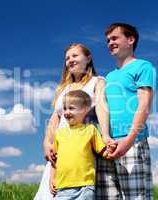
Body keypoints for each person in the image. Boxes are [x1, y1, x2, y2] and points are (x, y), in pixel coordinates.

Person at [34, 43, 113, 200]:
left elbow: (101, 107)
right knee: (52, 191)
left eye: (75, 56)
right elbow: (55, 118)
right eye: (67, 58)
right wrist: (46, 143)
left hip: (81, 147)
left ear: (88, 58)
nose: (70, 60)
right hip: (60, 145)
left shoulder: (97, 81)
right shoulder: (64, 87)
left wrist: (105, 134)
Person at [96, 23, 156, 199]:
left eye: (114, 38)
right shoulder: (109, 77)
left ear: (130, 40)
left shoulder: (143, 66)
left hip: (132, 141)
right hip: (108, 145)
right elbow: (103, 107)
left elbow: (144, 105)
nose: (110, 43)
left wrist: (129, 140)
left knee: (135, 196)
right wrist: (105, 137)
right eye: (108, 40)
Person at [50, 90, 115, 199]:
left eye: (71, 108)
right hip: (62, 187)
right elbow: (55, 159)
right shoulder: (59, 133)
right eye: (65, 108)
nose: (66, 112)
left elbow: (103, 151)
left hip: (85, 187)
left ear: (85, 109)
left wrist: (110, 151)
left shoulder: (91, 130)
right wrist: (52, 178)